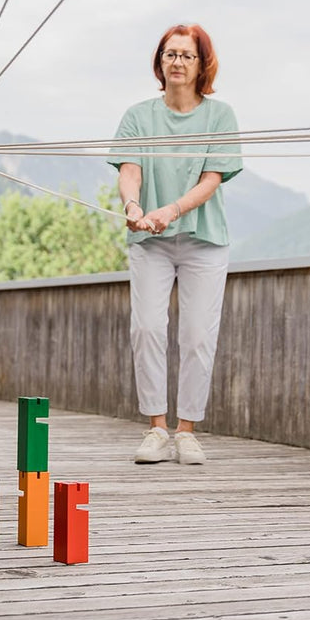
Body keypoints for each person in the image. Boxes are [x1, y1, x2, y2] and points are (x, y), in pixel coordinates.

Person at [108, 24, 243, 465]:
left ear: (202, 63)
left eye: (187, 55)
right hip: (150, 241)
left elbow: (211, 181)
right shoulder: (138, 116)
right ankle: (156, 429)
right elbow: (130, 170)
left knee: (197, 336)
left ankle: (187, 431)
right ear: (159, 62)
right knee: (146, 328)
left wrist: (170, 211)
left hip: (204, 240)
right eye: (170, 54)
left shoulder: (219, 116)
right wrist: (132, 205)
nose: (178, 62)